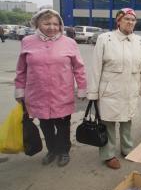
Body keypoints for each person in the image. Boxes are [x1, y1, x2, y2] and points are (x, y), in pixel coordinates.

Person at [14, 9, 87, 167]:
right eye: (47, 23)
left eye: (55, 24)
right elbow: (21, 69)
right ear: (38, 24)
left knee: (63, 126)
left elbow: (79, 68)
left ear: (61, 25)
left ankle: (64, 151)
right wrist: (19, 90)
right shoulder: (27, 41)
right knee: (46, 126)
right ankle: (52, 150)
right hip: (37, 93)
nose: (52, 27)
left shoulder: (69, 43)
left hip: (62, 93)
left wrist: (82, 88)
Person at [87, 8, 141, 170]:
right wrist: (92, 92)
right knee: (107, 122)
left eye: (133, 19)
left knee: (127, 120)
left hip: (130, 90)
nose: (130, 22)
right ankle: (108, 154)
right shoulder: (105, 39)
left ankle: (127, 148)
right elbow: (95, 67)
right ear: (119, 21)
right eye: (126, 19)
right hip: (110, 90)